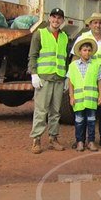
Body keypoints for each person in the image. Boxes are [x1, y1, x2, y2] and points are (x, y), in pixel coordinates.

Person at [70, 12, 101, 148]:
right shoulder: (82, 38)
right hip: (85, 79)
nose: (98, 25)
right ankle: (81, 140)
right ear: (90, 24)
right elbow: (74, 58)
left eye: (100, 23)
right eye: (95, 22)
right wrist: (72, 79)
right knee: (83, 109)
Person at [28, 8, 68, 154]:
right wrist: (34, 74)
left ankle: (53, 138)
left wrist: (66, 78)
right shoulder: (40, 34)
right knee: (41, 110)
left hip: (58, 78)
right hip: (44, 78)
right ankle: (36, 139)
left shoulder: (64, 37)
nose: (56, 20)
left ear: (63, 21)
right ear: (49, 18)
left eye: (59, 18)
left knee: (55, 111)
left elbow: (65, 58)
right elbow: (32, 55)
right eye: (54, 17)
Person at [68, 38, 101, 152]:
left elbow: (99, 80)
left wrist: (100, 96)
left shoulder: (95, 64)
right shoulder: (73, 65)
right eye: (84, 50)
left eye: (89, 50)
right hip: (78, 100)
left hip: (91, 99)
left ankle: (91, 141)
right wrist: (71, 96)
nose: (87, 52)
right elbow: (71, 82)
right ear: (79, 52)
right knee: (79, 121)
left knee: (91, 121)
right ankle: (80, 141)